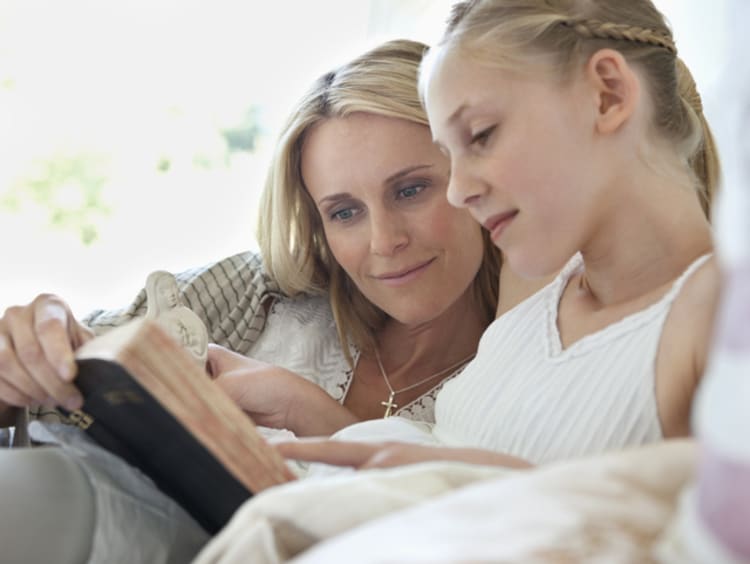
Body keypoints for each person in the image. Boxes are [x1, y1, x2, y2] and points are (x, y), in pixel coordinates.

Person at [0, 39, 501, 564]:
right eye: (344, 212)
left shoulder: (517, 381)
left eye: (410, 190)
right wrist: (29, 350)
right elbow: (73, 363)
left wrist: (311, 412)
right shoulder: (255, 294)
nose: (383, 241)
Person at [276, 0, 722, 473]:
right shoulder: (538, 286)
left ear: (607, 95)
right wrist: (308, 416)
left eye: (482, 135)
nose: (459, 189)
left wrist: (482, 488)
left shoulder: (718, 319)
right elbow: (462, 454)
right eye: (450, 153)